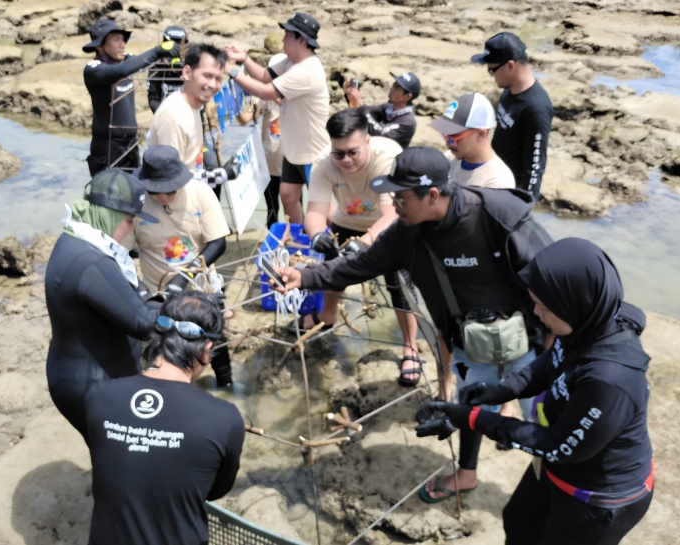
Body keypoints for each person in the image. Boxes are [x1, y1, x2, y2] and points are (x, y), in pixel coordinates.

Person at [272, 147, 553, 497]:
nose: (393, 204)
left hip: (529, 340)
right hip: (469, 342)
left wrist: (553, 340)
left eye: (401, 197)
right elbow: (358, 266)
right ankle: (467, 474)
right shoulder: (406, 233)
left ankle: (557, 483)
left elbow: (552, 274)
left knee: (547, 421)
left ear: (433, 194)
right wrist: (305, 276)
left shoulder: (498, 213)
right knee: (470, 408)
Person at [416, 237, 654, 545]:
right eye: (534, 303)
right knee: (517, 523)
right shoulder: (589, 321)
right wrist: (501, 391)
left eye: (544, 307)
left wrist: (473, 419)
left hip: (596, 498)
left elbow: (556, 445)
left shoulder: (609, 379)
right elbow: (549, 363)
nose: (537, 314)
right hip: (558, 470)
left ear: (574, 304)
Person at [84, 292, 245, 545]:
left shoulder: (99, 396)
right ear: (206, 350)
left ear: (157, 336)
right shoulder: (225, 419)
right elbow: (214, 491)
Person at [303, 107, 424, 386]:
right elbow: (315, 210)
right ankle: (327, 316)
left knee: (400, 288)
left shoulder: (387, 157)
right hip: (347, 223)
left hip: (389, 226)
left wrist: (366, 241)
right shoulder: (324, 164)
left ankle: (410, 347)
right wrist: (317, 233)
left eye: (352, 152)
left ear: (367, 141)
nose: (345, 160)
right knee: (333, 269)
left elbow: (391, 214)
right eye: (339, 153)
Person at [45, 168, 161, 437]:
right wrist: (173, 305)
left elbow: (123, 297)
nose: (131, 229)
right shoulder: (92, 262)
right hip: (93, 384)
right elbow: (143, 324)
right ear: (109, 214)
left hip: (81, 373)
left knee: (110, 456)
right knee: (119, 461)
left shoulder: (74, 238)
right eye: (129, 220)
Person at [122, 146, 234, 386]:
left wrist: (184, 276)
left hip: (201, 285)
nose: (163, 197)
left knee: (214, 338)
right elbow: (121, 252)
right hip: (157, 292)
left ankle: (226, 382)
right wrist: (137, 287)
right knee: (163, 346)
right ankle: (171, 390)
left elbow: (218, 242)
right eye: (156, 192)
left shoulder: (200, 193)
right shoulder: (137, 202)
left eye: (170, 191)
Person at [225, 13, 331, 224]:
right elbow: (265, 76)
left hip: (313, 153)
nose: (283, 39)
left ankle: (340, 241)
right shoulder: (291, 62)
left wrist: (232, 71)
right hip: (293, 150)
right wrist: (244, 58)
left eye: (287, 35)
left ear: (301, 40)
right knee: (288, 197)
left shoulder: (307, 70)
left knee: (323, 210)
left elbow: (266, 91)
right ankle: (299, 238)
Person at [83, 19, 179, 175]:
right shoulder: (94, 70)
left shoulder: (127, 61)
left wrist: (170, 58)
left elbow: (140, 62)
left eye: (123, 39)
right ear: (100, 46)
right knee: (110, 197)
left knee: (134, 192)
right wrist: (157, 51)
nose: (122, 44)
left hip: (131, 145)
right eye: (116, 39)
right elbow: (122, 71)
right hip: (108, 148)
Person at [471, 32, 553, 199]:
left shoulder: (536, 109)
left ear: (510, 65)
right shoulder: (509, 90)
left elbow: (535, 166)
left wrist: (521, 206)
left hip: (510, 193)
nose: (491, 75)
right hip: (494, 180)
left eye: (492, 69)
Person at [147, 43, 227, 176]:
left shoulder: (194, 107)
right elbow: (170, 179)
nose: (213, 85)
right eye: (207, 76)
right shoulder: (173, 117)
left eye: (218, 78)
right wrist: (218, 176)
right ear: (187, 73)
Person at [237, 53, 287, 228]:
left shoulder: (296, 94)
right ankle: (273, 237)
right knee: (272, 207)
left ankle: (295, 235)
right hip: (270, 159)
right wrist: (233, 105)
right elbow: (246, 118)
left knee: (293, 204)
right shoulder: (263, 98)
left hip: (292, 159)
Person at [430, 92, 516, 189]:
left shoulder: (496, 183)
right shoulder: (449, 158)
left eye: (454, 136)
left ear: (481, 134)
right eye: (445, 135)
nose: (448, 143)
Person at [343, 71, 421, 149]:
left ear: (407, 96)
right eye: (394, 84)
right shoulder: (388, 107)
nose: (392, 88)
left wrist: (359, 105)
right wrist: (351, 96)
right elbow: (364, 112)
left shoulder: (407, 122)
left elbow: (380, 134)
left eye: (397, 86)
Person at [147, 25, 188, 113]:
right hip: (164, 118)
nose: (176, 50)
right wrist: (164, 116)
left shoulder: (192, 64)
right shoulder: (157, 66)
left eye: (179, 45)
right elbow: (153, 98)